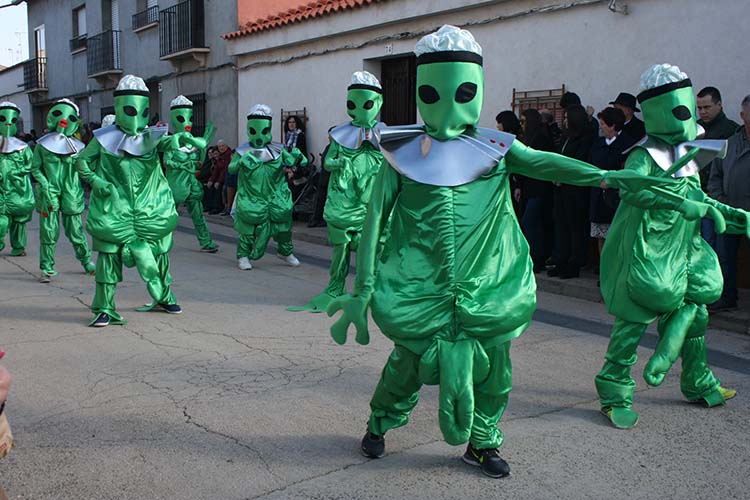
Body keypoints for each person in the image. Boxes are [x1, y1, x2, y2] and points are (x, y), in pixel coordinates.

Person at [327, 25, 662, 479]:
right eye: (435, 92)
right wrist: (362, 288)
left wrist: (608, 177)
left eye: (463, 91)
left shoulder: (497, 147)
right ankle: (379, 423)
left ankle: (482, 441)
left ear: (478, 89)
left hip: (488, 288)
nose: (448, 106)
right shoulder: (399, 152)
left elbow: (548, 163)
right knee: (404, 366)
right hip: (418, 288)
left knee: (495, 370)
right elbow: (373, 223)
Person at [596, 64, 743, 429]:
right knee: (632, 322)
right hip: (647, 248)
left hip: (685, 246)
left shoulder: (690, 151)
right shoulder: (642, 155)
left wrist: (733, 212)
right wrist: (678, 204)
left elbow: (697, 194)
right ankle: (614, 392)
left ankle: (697, 380)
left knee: (699, 314)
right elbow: (634, 191)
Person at [75, 75, 189, 327]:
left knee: (159, 253)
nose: (137, 117)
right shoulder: (103, 138)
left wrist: (181, 141)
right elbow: (82, 160)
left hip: (151, 209)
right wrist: (96, 182)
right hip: (114, 209)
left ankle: (164, 297)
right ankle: (104, 308)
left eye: (143, 111)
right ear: (118, 108)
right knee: (108, 257)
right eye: (129, 110)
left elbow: (169, 144)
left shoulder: (152, 136)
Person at [289, 71, 385, 312]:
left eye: (366, 104)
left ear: (378, 103)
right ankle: (335, 286)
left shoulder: (385, 135)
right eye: (352, 104)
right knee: (341, 248)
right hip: (344, 202)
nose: (358, 109)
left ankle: (368, 289)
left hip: (371, 201)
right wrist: (339, 163)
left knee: (372, 247)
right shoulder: (340, 135)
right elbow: (328, 162)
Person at [230, 104, 307, 270]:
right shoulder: (243, 150)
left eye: (263, 131)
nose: (258, 135)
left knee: (284, 226)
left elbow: (293, 161)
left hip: (276, 196)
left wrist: (297, 157)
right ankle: (243, 256)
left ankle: (285, 252)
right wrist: (240, 161)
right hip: (252, 196)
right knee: (248, 228)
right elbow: (231, 168)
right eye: (254, 131)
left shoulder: (278, 149)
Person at [30, 98, 96, 282]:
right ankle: (47, 267)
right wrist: (44, 185)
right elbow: (35, 168)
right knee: (49, 231)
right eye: (59, 114)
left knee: (76, 230)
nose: (64, 120)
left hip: (72, 193)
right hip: (48, 192)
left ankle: (86, 261)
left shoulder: (79, 147)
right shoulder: (42, 145)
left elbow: (84, 168)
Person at [707, 94, 750, 312]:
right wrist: (719, 199)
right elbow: (715, 177)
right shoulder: (731, 143)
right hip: (730, 212)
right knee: (725, 256)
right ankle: (726, 297)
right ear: (743, 116)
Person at [162, 95, 219, 252]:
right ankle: (159, 242)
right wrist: (182, 165)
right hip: (176, 186)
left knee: (198, 215)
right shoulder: (170, 140)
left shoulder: (193, 141)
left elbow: (199, 162)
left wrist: (198, 161)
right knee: (169, 216)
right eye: (181, 118)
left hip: (192, 184)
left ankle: (206, 242)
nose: (187, 123)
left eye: (190, 118)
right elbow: (167, 161)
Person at [548, 104, 593, 279]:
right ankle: (561, 259)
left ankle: (575, 262)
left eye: (567, 118)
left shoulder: (584, 138)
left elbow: (579, 162)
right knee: (561, 224)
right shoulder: (566, 138)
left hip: (575, 189)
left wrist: (564, 176)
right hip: (561, 188)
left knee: (575, 227)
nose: (564, 121)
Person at [697, 86, 740, 248]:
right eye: (699, 108)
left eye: (707, 107)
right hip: (695, 195)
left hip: (718, 198)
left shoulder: (732, 131)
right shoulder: (695, 129)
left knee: (712, 245)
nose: (703, 112)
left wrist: (720, 195)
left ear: (719, 105)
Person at [589, 107, 628, 272]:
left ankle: (617, 270)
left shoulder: (626, 144)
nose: (601, 127)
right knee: (600, 235)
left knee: (617, 236)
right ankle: (604, 269)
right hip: (598, 194)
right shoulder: (598, 144)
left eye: (603, 124)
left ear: (613, 126)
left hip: (617, 197)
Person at [517, 109, 555, 272]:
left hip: (539, 188)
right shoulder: (528, 138)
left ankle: (537, 257)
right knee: (531, 223)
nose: (522, 125)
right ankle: (534, 256)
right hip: (528, 187)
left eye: (524, 121)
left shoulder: (540, 138)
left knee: (530, 222)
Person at [0, 101, 34, 257]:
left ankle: (19, 247)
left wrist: (18, 172)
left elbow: (32, 164)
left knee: (19, 222)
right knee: (2, 220)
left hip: (18, 190)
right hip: (1, 190)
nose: (7, 124)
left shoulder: (23, 147)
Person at [205, 140, 230, 214]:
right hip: (221, 178)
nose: (221, 148)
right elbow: (216, 170)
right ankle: (209, 206)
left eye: (223, 146)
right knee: (210, 186)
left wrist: (218, 181)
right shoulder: (221, 156)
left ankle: (217, 207)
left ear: (226, 146)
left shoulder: (227, 155)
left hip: (226, 177)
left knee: (218, 187)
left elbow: (225, 170)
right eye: (220, 146)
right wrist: (211, 180)